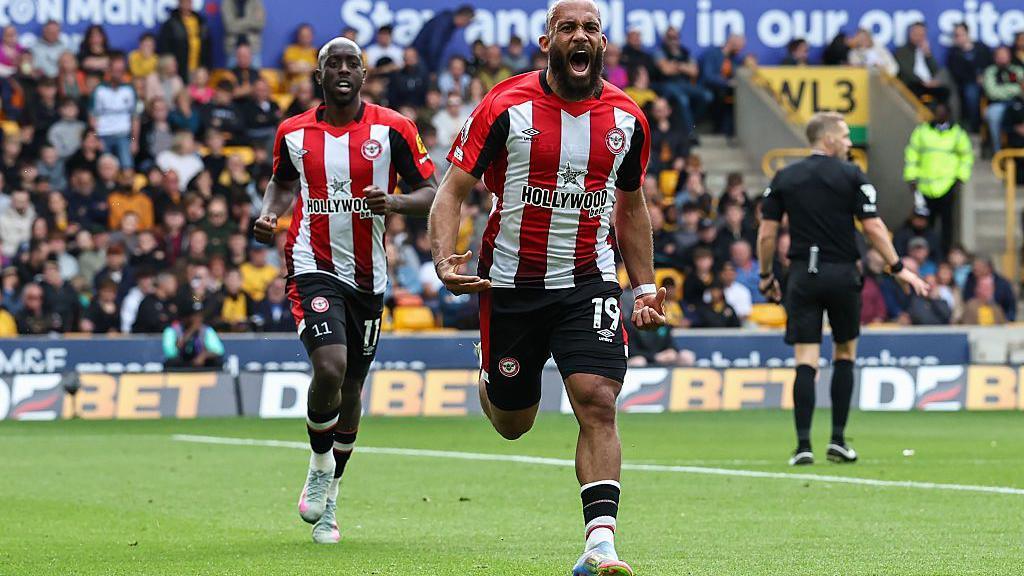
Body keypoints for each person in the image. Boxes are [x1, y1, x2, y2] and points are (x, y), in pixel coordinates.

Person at [428, 2, 664, 573]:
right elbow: (451, 190)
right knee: (514, 422)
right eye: (568, 29)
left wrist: (646, 286)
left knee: (597, 400)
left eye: (590, 29)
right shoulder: (505, 105)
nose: (580, 37)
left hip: (589, 281)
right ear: (547, 42)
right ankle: (492, 372)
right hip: (510, 285)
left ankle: (600, 544)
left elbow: (631, 209)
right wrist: (443, 258)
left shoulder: (628, 119)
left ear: (602, 43)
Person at [252, 37, 437, 545]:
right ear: (319, 74)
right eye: (332, 62)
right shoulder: (294, 132)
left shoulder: (394, 127)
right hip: (312, 265)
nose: (342, 69)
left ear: (363, 75)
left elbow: (432, 192)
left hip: (369, 278)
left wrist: (395, 203)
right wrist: (270, 214)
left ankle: (331, 499)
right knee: (329, 367)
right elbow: (282, 183)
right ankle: (317, 462)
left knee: (352, 388)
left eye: (351, 63)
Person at [757, 112, 928, 467]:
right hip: (842, 273)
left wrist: (765, 275)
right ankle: (837, 440)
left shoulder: (785, 177)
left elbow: (767, 234)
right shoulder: (852, 175)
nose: (850, 143)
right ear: (829, 139)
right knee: (844, 352)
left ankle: (803, 445)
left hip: (803, 274)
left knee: (805, 359)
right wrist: (898, 268)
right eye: (846, 136)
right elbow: (874, 227)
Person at [903, 101, 972, 256]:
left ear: (948, 114)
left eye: (942, 111)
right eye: (937, 111)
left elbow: (966, 156)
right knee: (924, 224)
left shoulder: (957, 133)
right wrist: (911, 178)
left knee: (948, 225)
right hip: (925, 187)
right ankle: (926, 255)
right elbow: (912, 155)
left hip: (947, 185)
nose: (939, 115)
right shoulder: (922, 131)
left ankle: (945, 254)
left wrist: (961, 177)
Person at [90, 56, 139, 171]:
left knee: (127, 167)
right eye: (115, 70)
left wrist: (134, 141)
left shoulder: (129, 90)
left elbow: (135, 118)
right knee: (105, 169)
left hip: (124, 136)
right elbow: (92, 116)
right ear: (109, 71)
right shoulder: (99, 90)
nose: (118, 74)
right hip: (103, 135)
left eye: (121, 71)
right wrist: (97, 139)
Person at [946, 23, 991, 132]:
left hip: (989, 81)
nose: (959, 38)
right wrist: (975, 78)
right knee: (971, 93)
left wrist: (984, 76)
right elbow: (956, 73)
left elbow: (990, 65)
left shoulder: (981, 48)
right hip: (967, 84)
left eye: (961, 34)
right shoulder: (954, 53)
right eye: (956, 35)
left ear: (967, 34)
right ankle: (974, 129)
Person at [410, 5, 475, 74]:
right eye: (468, 21)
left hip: (424, 58)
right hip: (420, 57)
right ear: (464, 17)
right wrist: (433, 69)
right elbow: (434, 46)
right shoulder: (444, 22)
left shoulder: (449, 22)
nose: (467, 25)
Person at [157, 0, 212, 82]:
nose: (187, 4)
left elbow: (208, 45)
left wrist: (207, 67)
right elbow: (164, 47)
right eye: (184, 2)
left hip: (198, 67)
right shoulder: (171, 23)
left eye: (189, 2)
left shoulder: (201, 21)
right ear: (179, 3)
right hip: (180, 68)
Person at [981, 46, 1023, 153]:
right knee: (993, 115)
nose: (1002, 58)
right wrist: (1016, 89)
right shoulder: (990, 71)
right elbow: (992, 92)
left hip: (1018, 103)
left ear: (1009, 56)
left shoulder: (1017, 70)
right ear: (995, 58)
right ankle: (998, 151)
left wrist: (1006, 90)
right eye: (999, 56)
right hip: (998, 104)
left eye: (1005, 55)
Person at [163, 300, 225, 369]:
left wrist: (203, 356)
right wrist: (191, 331)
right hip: (181, 364)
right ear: (186, 317)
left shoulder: (206, 330)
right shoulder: (172, 330)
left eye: (200, 315)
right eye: (195, 316)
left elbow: (218, 350)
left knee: (217, 361)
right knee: (171, 362)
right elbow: (171, 353)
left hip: (200, 363)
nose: (199, 319)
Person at [221, 0, 266, 68]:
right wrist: (250, 21)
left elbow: (259, 24)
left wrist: (236, 23)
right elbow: (229, 26)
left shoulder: (256, 2)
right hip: (233, 49)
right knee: (231, 77)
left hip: (253, 49)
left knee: (255, 77)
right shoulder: (227, 2)